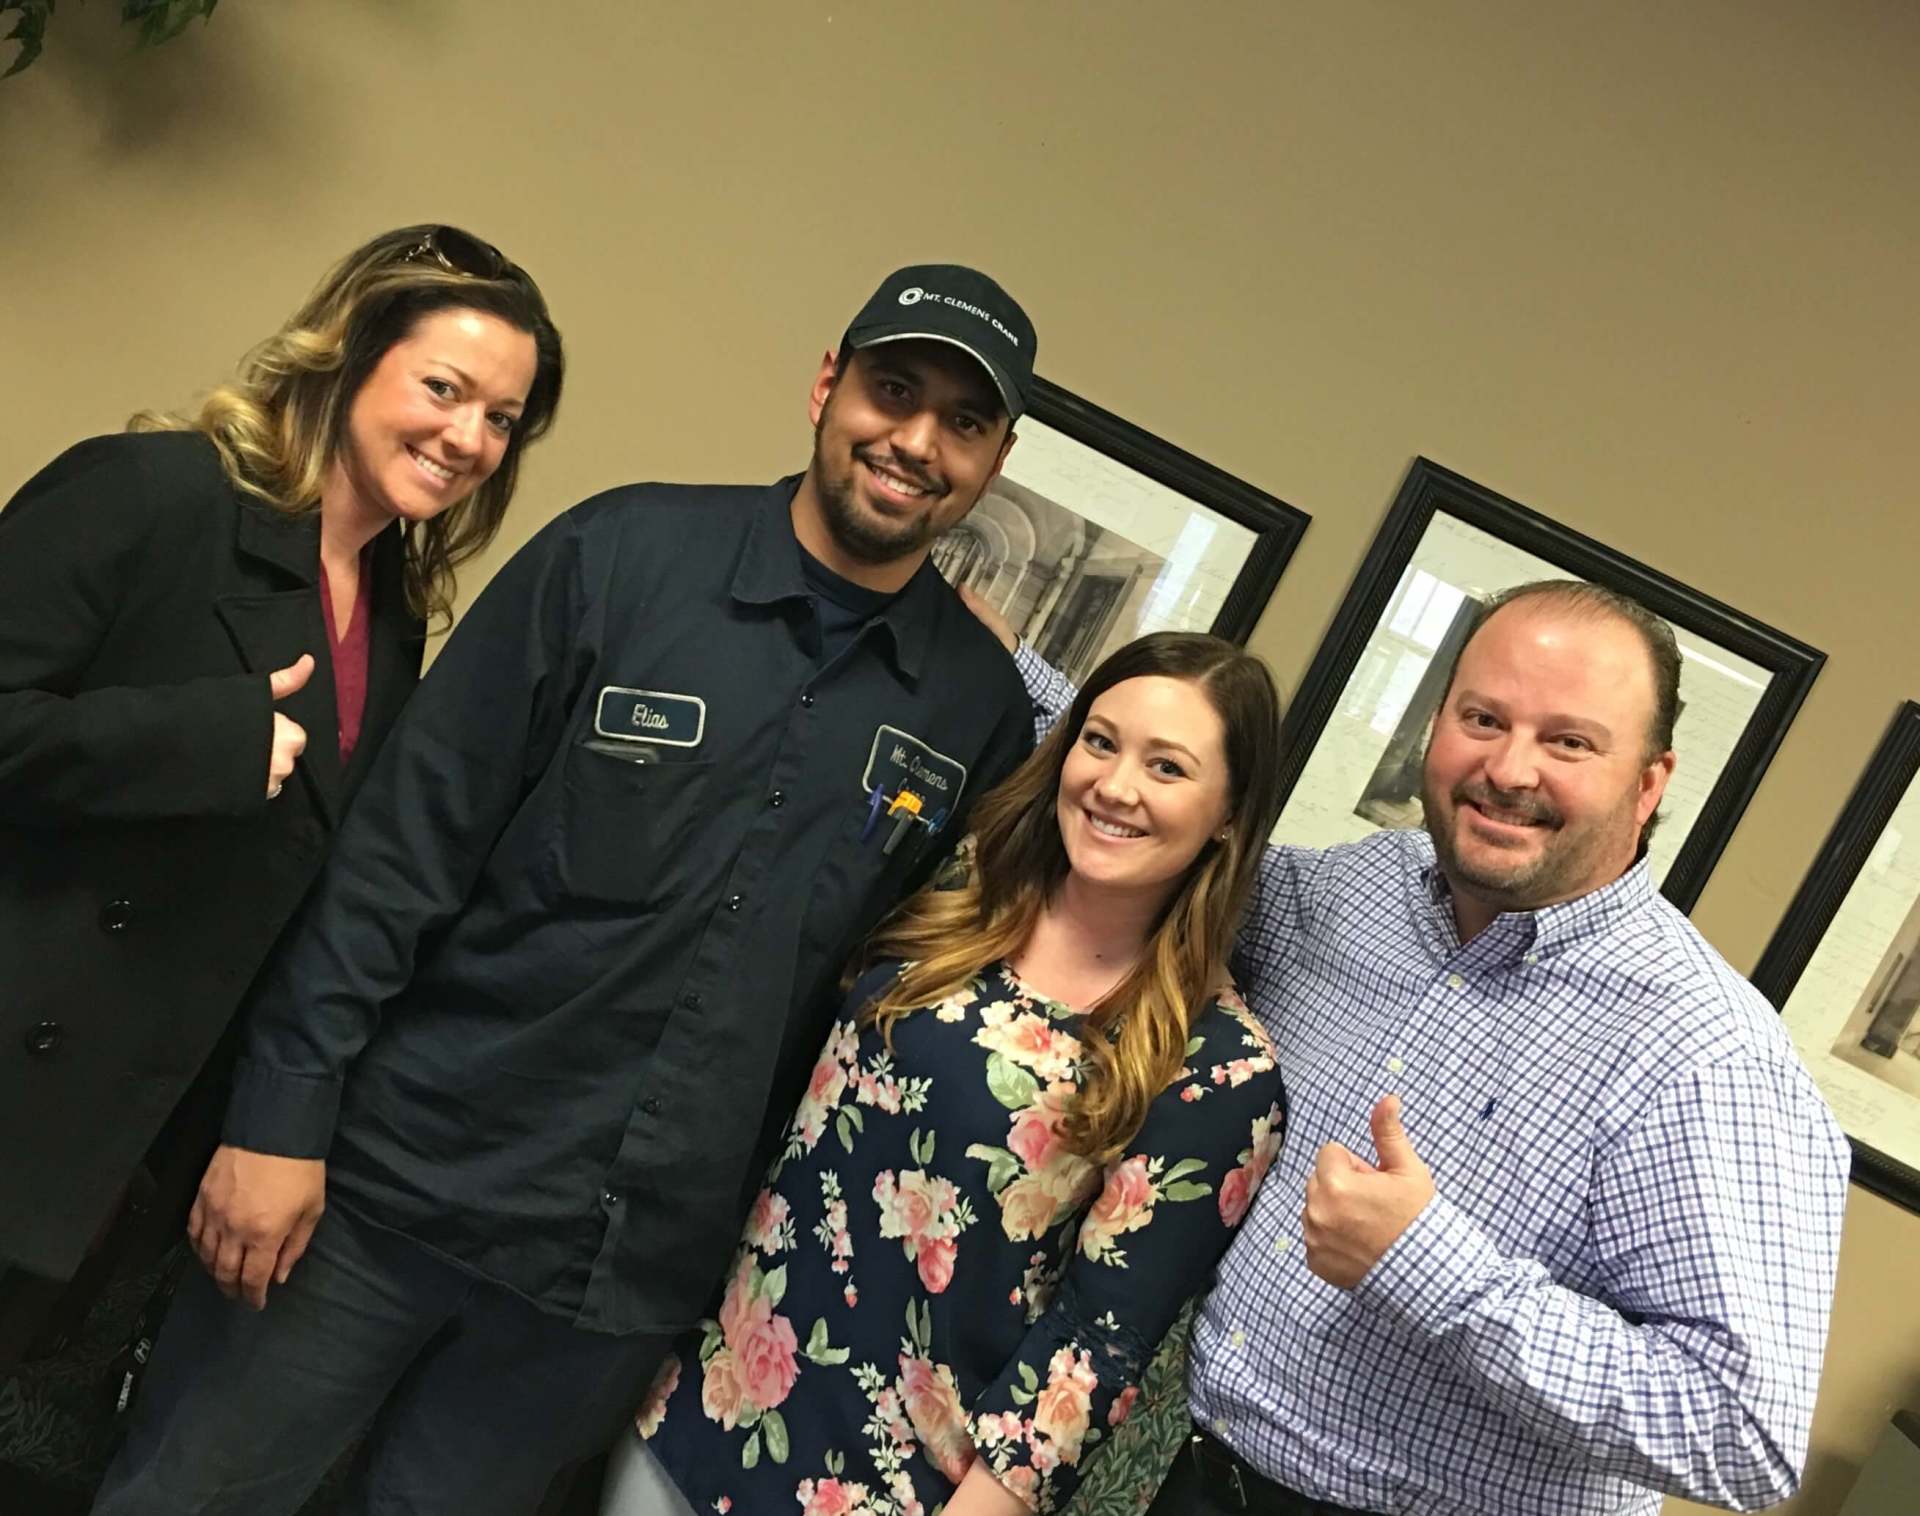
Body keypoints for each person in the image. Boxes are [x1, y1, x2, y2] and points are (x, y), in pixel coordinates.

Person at [93, 263, 1042, 1516]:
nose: (915, 441)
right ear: (829, 384)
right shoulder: (622, 555)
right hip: (382, 1195)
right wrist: (278, 1114)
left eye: (963, 422)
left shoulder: (976, 707)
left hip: (612, 1289)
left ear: (996, 458)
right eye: (894, 390)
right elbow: (399, 852)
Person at [980, 580, 1851, 1515]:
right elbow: (1168, 822)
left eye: (1569, 742)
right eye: (1484, 719)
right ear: (1438, 724)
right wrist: (1006, 662)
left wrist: (1431, 1267)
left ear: (1649, 783)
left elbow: (1743, 1436)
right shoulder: (1361, 890)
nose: (1509, 769)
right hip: (1191, 1480)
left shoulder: (1708, 1056)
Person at [0, 224, 560, 1502]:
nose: (469, 438)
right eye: (444, 388)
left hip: (108, 1146)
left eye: (502, 419)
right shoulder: (154, 493)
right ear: (348, 354)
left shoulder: (396, 609)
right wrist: (194, 741)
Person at [601, 631, 1289, 1516]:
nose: (1116, 785)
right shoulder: (963, 891)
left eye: (1167, 767)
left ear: (1230, 812)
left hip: (880, 1491)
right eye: (1101, 741)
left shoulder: (1218, 1070)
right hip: (693, 1411)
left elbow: (1090, 1354)